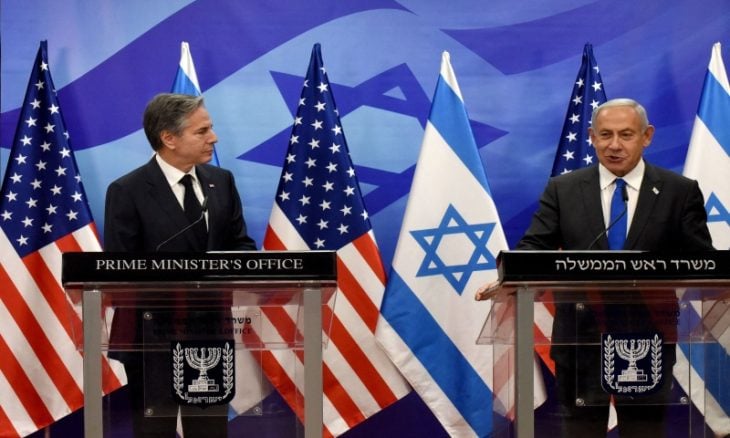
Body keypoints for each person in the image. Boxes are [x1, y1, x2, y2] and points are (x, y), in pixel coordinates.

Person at [503, 99, 712, 436]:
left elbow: (704, 263)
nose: (615, 145)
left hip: (648, 341)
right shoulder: (563, 189)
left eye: (626, 135)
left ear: (647, 136)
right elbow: (533, 249)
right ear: (591, 137)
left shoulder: (679, 192)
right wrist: (509, 280)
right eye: (605, 135)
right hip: (580, 339)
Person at [104, 93, 257, 437]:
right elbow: (119, 269)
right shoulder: (128, 190)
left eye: (210, 128)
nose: (213, 138)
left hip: (210, 332)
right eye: (201, 131)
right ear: (169, 138)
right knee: (155, 432)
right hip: (152, 336)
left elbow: (241, 246)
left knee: (208, 431)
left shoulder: (221, 181)